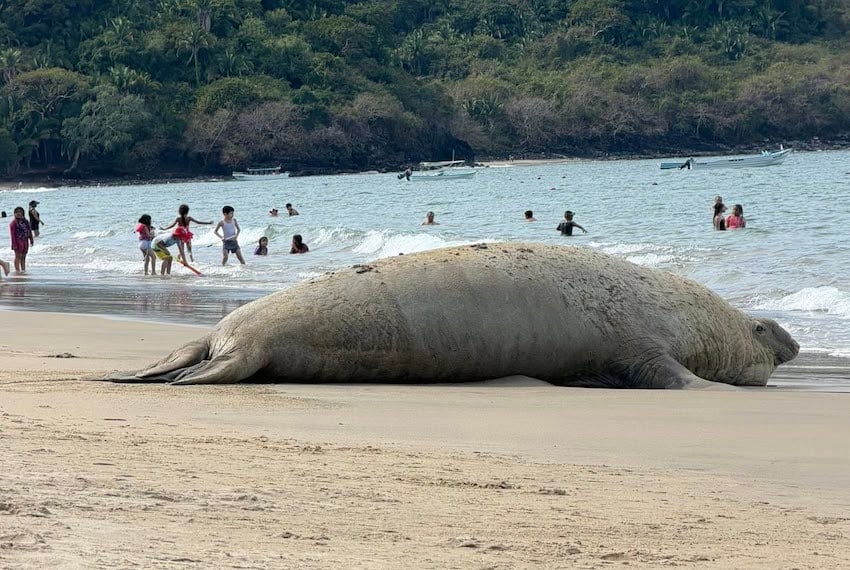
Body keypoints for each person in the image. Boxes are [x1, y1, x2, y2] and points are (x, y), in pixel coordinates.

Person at [9, 206, 33, 272]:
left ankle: (23, 270)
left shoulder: (26, 222)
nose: (18, 213)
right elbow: (12, 235)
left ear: (23, 213)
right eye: (16, 212)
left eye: (20, 212)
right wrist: (14, 244)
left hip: (25, 241)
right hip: (17, 242)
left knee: (24, 256)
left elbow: (29, 231)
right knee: (18, 256)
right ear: (14, 214)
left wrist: (31, 240)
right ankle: (17, 270)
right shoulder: (13, 223)